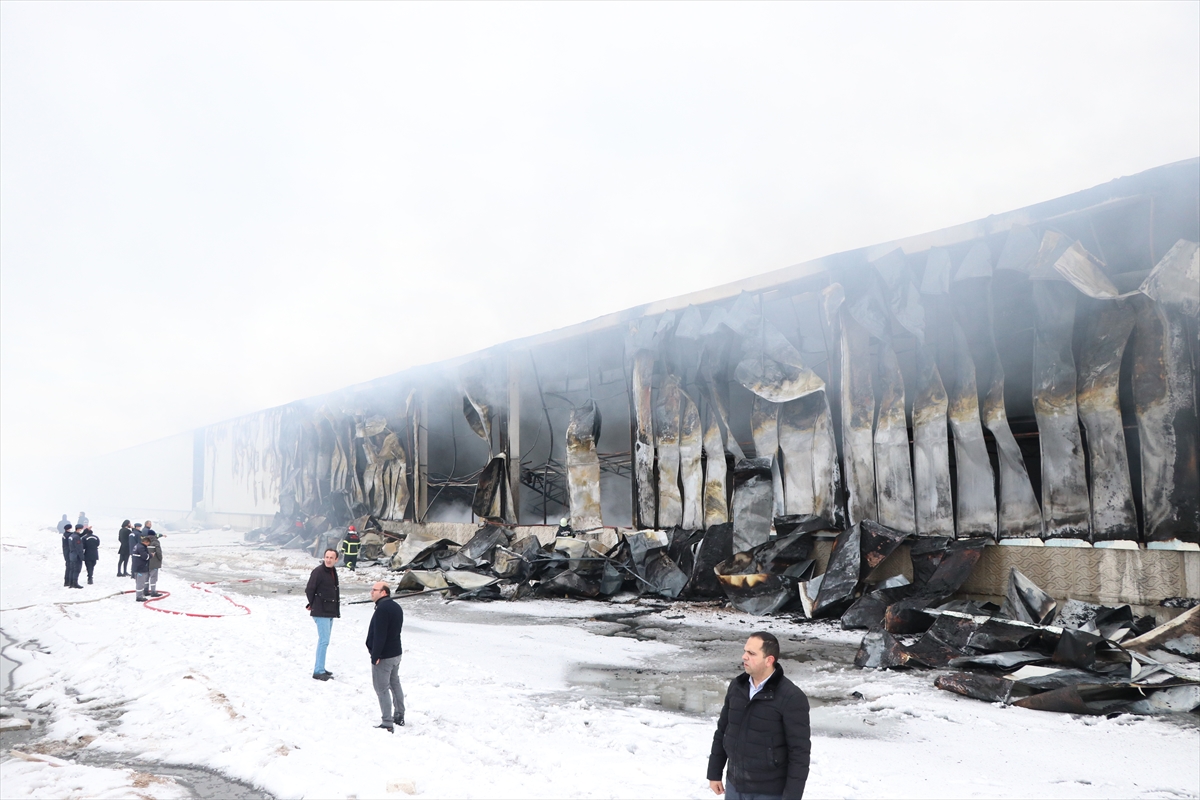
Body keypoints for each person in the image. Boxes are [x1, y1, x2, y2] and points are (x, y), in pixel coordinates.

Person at [707, 632, 810, 800]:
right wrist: (714, 772)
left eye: (751, 653)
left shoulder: (791, 697)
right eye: (745, 651)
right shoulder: (737, 687)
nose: (744, 657)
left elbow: (799, 753)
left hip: (769, 792)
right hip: (735, 785)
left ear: (769, 660)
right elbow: (723, 731)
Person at [366, 581, 405, 732]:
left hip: (384, 656)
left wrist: (375, 655)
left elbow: (380, 635)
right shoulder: (396, 606)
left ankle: (387, 722)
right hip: (396, 653)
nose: (371, 592)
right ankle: (399, 715)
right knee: (395, 684)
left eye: (375, 590)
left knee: (381, 688)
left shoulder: (382, 609)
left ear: (384, 592)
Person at [305, 548, 340, 681]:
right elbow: (309, 589)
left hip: (330, 611)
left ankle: (321, 667)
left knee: (325, 641)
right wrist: (313, 604)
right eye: (327, 557)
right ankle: (318, 671)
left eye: (331, 557)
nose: (328, 560)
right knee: (323, 641)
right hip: (321, 611)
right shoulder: (318, 572)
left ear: (336, 560)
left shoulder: (332, 571)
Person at [132, 533, 152, 601]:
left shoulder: (137, 546)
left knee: (138, 582)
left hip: (136, 566)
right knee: (140, 583)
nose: (148, 545)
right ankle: (139, 597)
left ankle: (139, 595)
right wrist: (151, 555)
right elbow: (145, 557)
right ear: (145, 542)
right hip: (141, 567)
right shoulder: (141, 547)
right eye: (148, 543)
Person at [145, 529, 164, 597]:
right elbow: (158, 552)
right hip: (154, 562)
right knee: (153, 577)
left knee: (146, 577)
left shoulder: (145, 541)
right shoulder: (155, 542)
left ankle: (145, 591)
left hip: (146, 562)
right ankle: (153, 592)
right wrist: (160, 558)